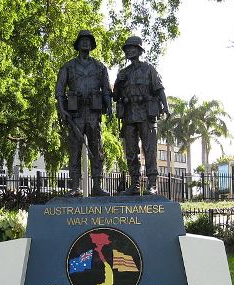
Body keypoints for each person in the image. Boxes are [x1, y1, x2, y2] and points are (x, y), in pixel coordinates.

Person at [55, 30, 112, 197]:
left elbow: (106, 91)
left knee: (97, 150)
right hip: (76, 114)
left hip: (94, 114)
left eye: (88, 40)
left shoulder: (100, 67)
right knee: (74, 151)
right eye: (82, 40)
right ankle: (74, 186)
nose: (85, 43)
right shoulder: (68, 66)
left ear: (92, 45)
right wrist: (62, 108)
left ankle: (97, 186)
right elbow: (59, 90)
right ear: (78, 44)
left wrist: (109, 107)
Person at [113, 36, 170, 195]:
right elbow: (115, 96)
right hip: (129, 114)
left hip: (146, 113)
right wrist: (118, 82)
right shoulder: (123, 73)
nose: (129, 51)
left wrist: (165, 107)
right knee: (131, 151)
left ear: (139, 51)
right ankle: (135, 184)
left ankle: (152, 184)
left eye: (132, 48)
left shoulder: (148, 69)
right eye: (127, 49)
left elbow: (159, 89)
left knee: (149, 149)